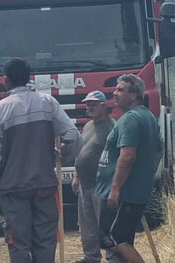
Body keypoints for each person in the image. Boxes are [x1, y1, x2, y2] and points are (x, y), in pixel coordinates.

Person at [0, 57, 79, 263]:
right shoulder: (48, 103)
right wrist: (62, 154)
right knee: (46, 240)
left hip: (14, 189)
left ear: (6, 80)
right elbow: (74, 137)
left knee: (19, 242)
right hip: (44, 186)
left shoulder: (0, 109)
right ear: (29, 79)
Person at [95, 75, 161, 263]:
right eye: (116, 89)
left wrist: (115, 189)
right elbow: (158, 153)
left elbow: (127, 155)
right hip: (133, 191)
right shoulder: (148, 116)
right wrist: (144, 177)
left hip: (124, 193)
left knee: (115, 238)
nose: (114, 93)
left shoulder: (130, 120)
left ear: (134, 95)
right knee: (122, 239)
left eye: (121, 90)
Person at [71, 91, 118, 263]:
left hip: (102, 185)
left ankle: (113, 258)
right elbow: (82, 151)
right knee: (86, 225)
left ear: (104, 106)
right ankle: (90, 257)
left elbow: (118, 155)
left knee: (105, 225)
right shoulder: (89, 125)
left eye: (93, 104)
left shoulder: (112, 127)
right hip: (85, 184)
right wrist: (76, 175)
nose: (89, 107)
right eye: (88, 103)